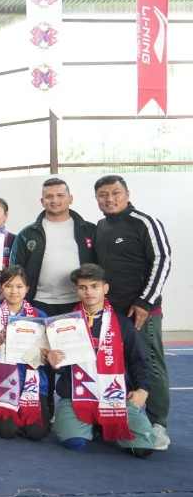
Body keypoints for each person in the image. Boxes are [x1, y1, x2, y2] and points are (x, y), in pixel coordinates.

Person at [93, 174, 172, 450]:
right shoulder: (101, 227)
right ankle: (117, 418)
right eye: (103, 195)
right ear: (97, 199)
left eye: (115, 193)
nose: (109, 199)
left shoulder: (145, 222)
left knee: (150, 364)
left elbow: (162, 260)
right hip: (110, 313)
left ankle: (157, 424)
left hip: (142, 312)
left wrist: (145, 302)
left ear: (127, 194)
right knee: (114, 365)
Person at [48, 264, 155, 458]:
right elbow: (61, 368)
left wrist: (143, 390)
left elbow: (140, 361)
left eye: (94, 286)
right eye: (83, 287)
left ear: (105, 288)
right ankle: (92, 424)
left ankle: (102, 422)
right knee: (74, 443)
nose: (88, 292)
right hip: (77, 396)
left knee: (143, 448)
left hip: (116, 397)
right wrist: (55, 363)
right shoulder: (64, 324)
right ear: (77, 290)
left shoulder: (122, 324)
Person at [0, 266, 51, 441]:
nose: (14, 291)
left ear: (27, 289)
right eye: (8, 286)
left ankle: (21, 415)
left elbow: (48, 357)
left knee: (37, 433)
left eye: (19, 286)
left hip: (31, 382)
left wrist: (47, 356)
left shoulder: (40, 316)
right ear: (1, 288)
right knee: (7, 431)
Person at [10, 178, 96, 316]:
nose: (54, 200)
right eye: (49, 196)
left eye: (60, 195)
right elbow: (15, 270)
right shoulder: (27, 234)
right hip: (38, 302)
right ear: (42, 201)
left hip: (80, 301)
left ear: (70, 198)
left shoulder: (90, 230)